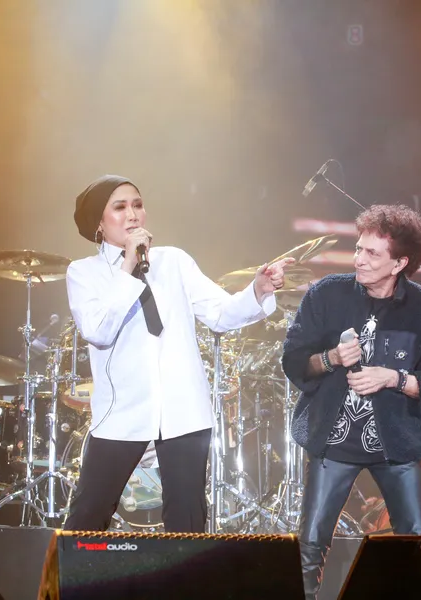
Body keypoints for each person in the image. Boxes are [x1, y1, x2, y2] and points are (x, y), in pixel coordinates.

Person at [63, 174, 292, 533]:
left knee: (187, 523)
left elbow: (221, 314)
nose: (133, 214)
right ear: (99, 223)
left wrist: (258, 290)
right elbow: (98, 331)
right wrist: (127, 267)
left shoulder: (173, 261)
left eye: (137, 205)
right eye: (120, 207)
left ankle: (185, 571)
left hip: (183, 411)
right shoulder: (84, 273)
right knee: (88, 517)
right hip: (120, 413)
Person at [281, 204, 421, 599]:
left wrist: (395, 379)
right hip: (332, 443)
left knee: (415, 543)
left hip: (396, 447)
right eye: (358, 249)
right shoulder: (327, 293)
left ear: (399, 263)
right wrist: (331, 357)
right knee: (309, 545)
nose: (358, 259)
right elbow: (293, 361)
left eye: (372, 253)